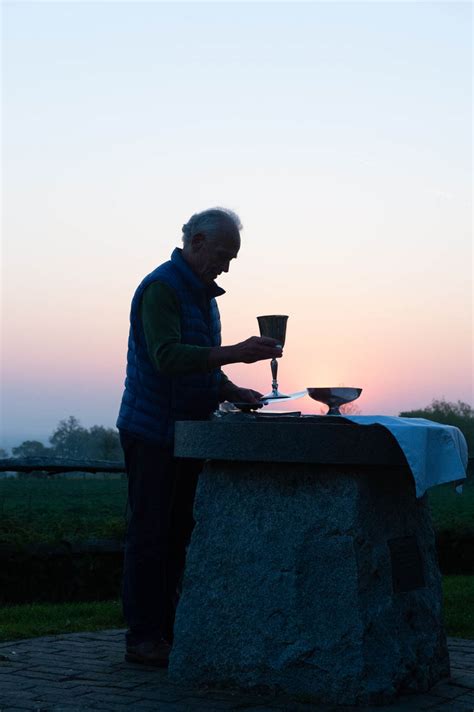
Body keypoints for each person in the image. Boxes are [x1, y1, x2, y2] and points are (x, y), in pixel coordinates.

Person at [116, 207, 282, 666]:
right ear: (197, 242)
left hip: (187, 434)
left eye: (233, 258)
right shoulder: (161, 289)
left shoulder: (204, 296)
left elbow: (200, 364)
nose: (227, 266)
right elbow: (167, 357)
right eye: (224, 254)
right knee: (149, 535)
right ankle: (143, 638)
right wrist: (238, 353)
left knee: (176, 534)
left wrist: (231, 389)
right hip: (152, 431)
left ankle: (168, 632)